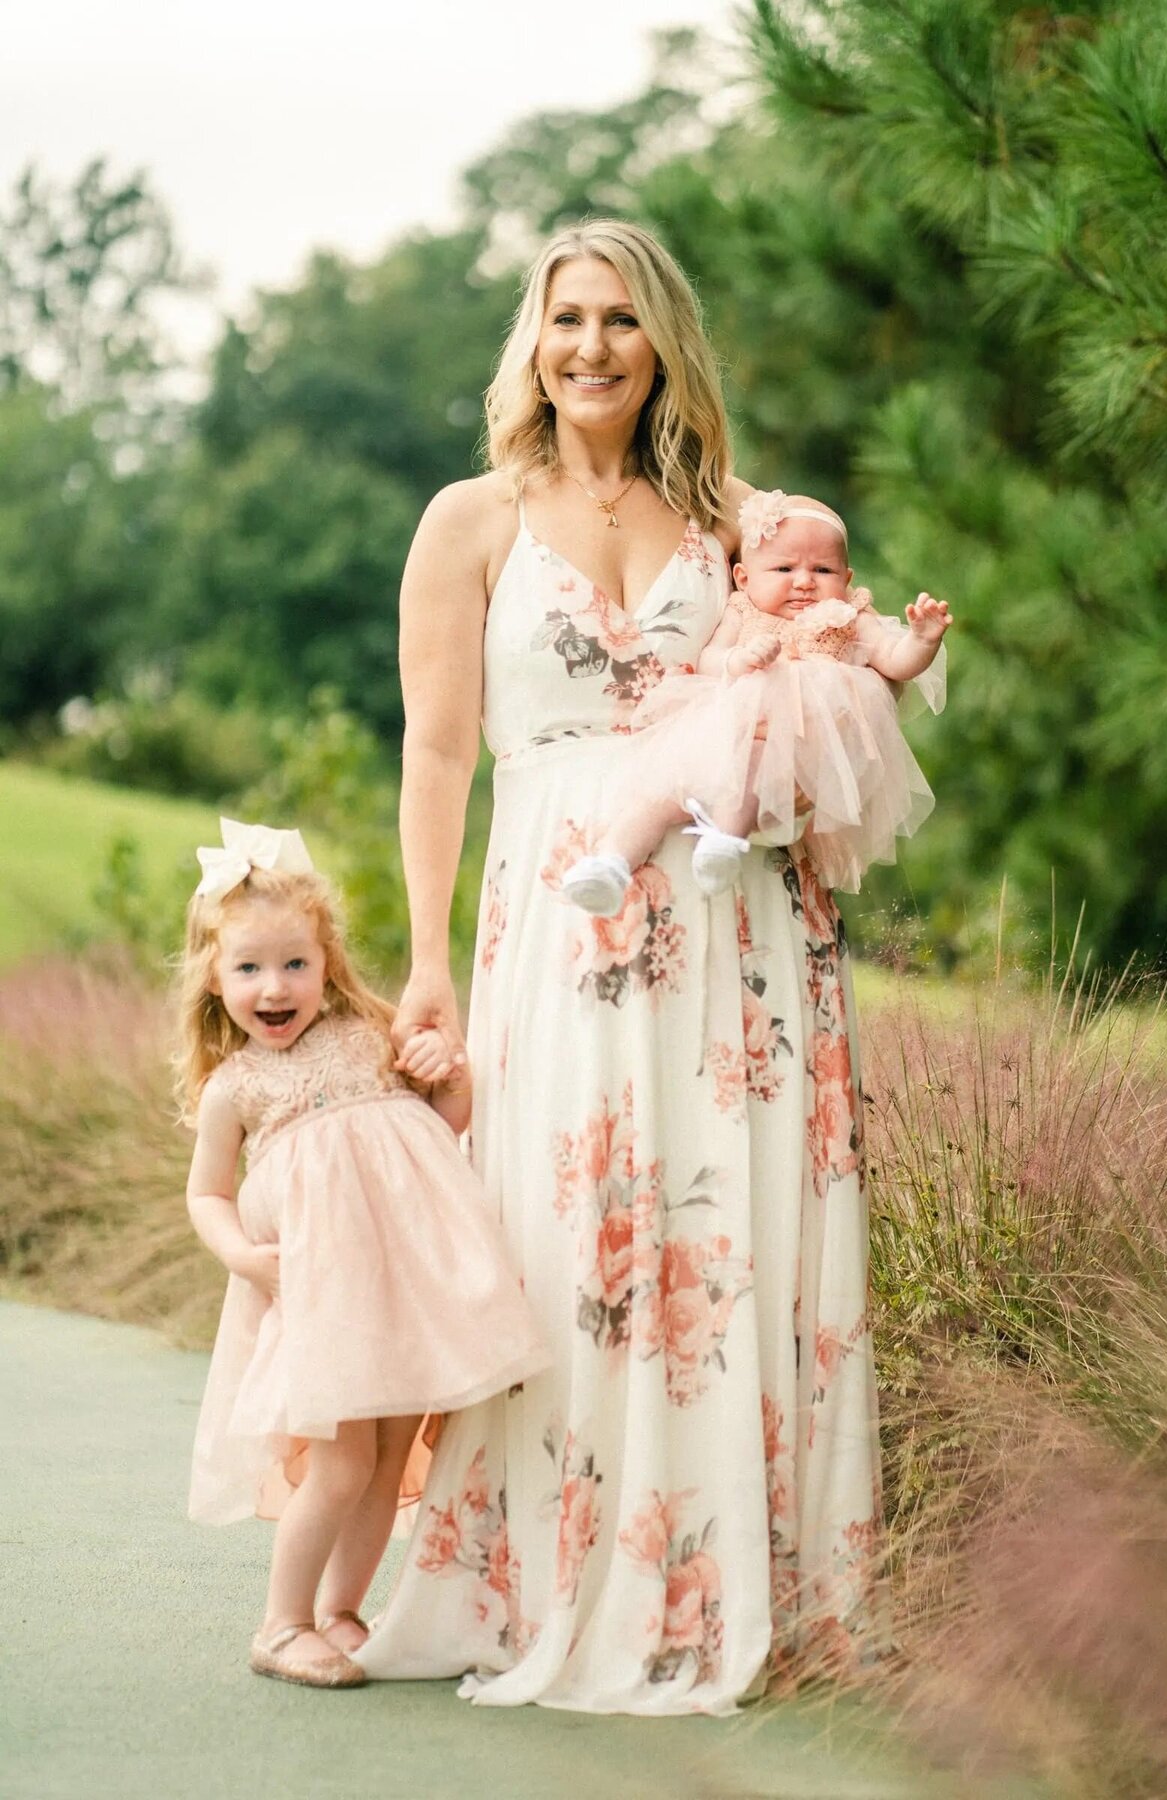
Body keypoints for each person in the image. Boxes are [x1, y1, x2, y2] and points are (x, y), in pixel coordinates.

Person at [362, 220, 892, 1713]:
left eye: (621, 320)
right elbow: (442, 751)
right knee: (565, 1229)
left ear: (664, 342)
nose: (590, 346)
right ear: (532, 339)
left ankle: (747, 1576)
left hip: (735, 929)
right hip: (555, 908)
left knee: (723, 1230)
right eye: (566, 318)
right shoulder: (468, 521)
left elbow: (815, 679)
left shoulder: (738, 517)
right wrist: (425, 966)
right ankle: (555, 1567)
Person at [179, 818, 548, 1688]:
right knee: (340, 1459)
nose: (276, 986)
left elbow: (439, 1126)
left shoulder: (367, 1032)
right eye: (250, 969)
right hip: (322, 1292)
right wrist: (242, 1256)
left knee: (387, 1453)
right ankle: (281, 1623)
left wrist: (443, 1066)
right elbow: (206, 1193)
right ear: (214, 981)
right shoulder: (236, 1087)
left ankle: (344, 1610)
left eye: (295, 964)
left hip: (397, 1286)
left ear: (327, 962)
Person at [561, 487, 952, 910]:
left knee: (752, 770)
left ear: (847, 579)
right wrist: (738, 661)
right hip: (719, 726)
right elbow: (710, 658)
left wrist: (922, 640)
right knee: (662, 788)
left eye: (823, 570)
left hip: (790, 748)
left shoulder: (848, 617)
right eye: (784, 567)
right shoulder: (744, 610)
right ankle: (610, 864)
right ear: (744, 578)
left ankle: (724, 841)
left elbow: (894, 662)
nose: (804, 582)